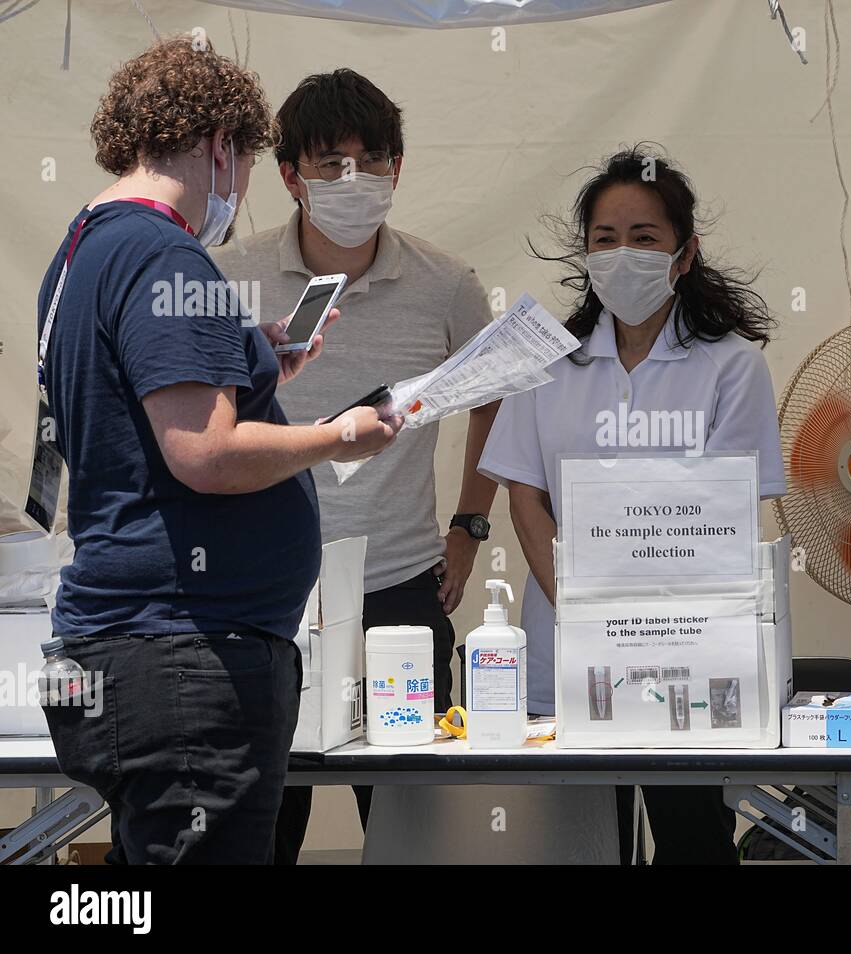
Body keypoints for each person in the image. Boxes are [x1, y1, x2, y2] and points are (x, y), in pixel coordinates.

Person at [35, 37, 400, 865]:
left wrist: (254, 352)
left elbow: (140, 394)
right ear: (218, 148)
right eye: (241, 165)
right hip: (182, 661)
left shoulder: (83, 247)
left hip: (129, 653)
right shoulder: (167, 252)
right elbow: (204, 450)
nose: (234, 191)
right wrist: (345, 433)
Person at [213, 68, 498, 864]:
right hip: (266, 593)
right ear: (289, 176)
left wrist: (471, 525)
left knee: (414, 835)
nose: (354, 178)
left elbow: (494, 399)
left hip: (401, 590)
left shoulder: (447, 284)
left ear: (398, 168)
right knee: (261, 830)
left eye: (373, 159)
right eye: (330, 162)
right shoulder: (231, 278)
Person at [478, 145, 787, 864]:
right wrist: (582, 613)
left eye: (644, 238)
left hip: (692, 657)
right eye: (604, 240)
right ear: (584, 256)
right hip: (565, 651)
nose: (623, 255)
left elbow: (731, 517)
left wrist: (648, 627)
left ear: (684, 255)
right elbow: (526, 502)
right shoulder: (548, 364)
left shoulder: (733, 366)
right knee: (578, 844)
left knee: (692, 841)